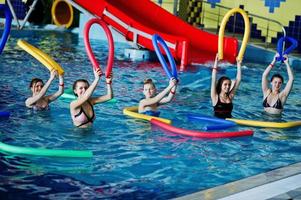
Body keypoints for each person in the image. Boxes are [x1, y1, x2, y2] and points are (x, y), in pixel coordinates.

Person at [211, 54, 242, 118]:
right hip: (217, 124)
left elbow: (238, 80)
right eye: (225, 84)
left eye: (229, 85)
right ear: (220, 85)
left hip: (229, 124)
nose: (228, 87)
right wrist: (216, 62)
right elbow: (213, 79)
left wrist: (239, 64)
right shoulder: (215, 97)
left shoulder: (230, 96)